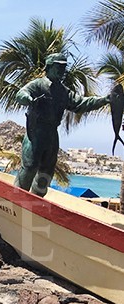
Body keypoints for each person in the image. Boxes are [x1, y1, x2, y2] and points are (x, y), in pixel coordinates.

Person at [15, 53, 110, 197]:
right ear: (49, 66)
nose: (61, 70)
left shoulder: (63, 92)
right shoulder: (38, 84)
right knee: (30, 165)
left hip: (52, 133)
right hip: (36, 131)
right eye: (58, 66)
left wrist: (104, 100)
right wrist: (28, 99)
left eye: (64, 67)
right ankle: (17, 196)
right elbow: (21, 94)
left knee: (47, 170)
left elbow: (81, 103)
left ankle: (36, 199)